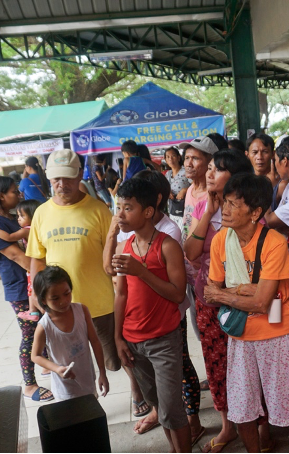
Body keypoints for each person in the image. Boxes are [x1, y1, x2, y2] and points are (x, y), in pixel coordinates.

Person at [204, 172, 289, 453]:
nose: (224, 209)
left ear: (254, 213)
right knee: (242, 409)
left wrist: (229, 293)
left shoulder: (274, 242)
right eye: (224, 202)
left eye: (232, 204)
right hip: (241, 336)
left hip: (278, 333)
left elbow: (262, 303)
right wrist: (248, 290)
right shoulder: (221, 241)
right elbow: (210, 291)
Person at [105, 170, 205, 442]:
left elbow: (176, 294)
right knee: (158, 405)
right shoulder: (124, 247)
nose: (121, 215)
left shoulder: (168, 245)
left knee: (173, 411)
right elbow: (121, 295)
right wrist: (118, 337)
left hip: (163, 340)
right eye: (119, 207)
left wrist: (142, 271)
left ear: (148, 211)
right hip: (132, 340)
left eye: (128, 208)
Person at [25, 149, 120, 401]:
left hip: (99, 303)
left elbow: (113, 254)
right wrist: (36, 296)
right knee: (69, 361)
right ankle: (81, 402)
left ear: (80, 174)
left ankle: (137, 393)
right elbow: (37, 257)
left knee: (115, 356)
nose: (61, 184)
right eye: (56, 178)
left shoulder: (99, 210)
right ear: (48, 177)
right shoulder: (42, 213)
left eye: (67, 177)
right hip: (59, 307)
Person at [183, 150, 253, 452]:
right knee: (216, 365)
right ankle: (228, 426)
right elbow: (190, 252)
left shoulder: (249, 206)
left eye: (217, 169)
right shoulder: (203, 205)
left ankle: (258, 424)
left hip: (244, 302)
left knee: (248, 364)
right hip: (208, 301)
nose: (209, 173)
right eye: (209, 168)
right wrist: (208, 212)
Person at [0, 177, 53, 402]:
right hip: (20, 288)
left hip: (32, 282)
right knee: (29, 335)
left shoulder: (11, 218)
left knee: (42, 325)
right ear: (1, 195)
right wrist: (43, 276)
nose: (19, 194)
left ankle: (45, 364)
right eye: (14, 191)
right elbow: (19, 257)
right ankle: (29, 385)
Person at [31, 266, 110, 401]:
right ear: (43, 300)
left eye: (67, 293)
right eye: (55, 298)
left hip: (87, 380)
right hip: (65, 390)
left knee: (91, 414)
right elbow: (35, 356)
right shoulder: (44, 326)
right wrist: (56, 369)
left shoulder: (82, 310)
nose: (63, 301)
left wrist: (102, 372)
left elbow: (95, 341)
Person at [0, 199, 41, 320]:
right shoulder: (39, 227)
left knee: (32, 289)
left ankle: (34, 312)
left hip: (33, 262)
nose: (18, 219)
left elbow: (9, 237)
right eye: (18, 216)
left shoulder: (27, 229)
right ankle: (35, 312)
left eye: (22, 216)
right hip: (38, 260)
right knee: (32, 287)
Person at [180, 136, 219, 240]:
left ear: (210, 162)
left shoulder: (214, 195)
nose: (188, 164)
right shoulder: (190, 189)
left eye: (195, 158)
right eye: (187, 158)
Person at [165, 147, 190, 229]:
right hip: (172, 209)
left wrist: (185, 190)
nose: (170, 159)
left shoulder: (186, 171)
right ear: (165, 160)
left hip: (185, 209)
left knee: (185, 232)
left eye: (173, 156)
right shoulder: (168, 174)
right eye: (168, 157)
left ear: (179, 158)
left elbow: (197, 184)